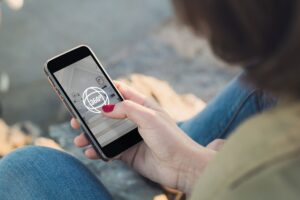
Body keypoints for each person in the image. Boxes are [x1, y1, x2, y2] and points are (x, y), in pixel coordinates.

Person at [1, 0, 300, 200]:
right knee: (259, 84)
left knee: (28, 167)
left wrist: (218, 176)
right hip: (209, 170)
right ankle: (174, 149)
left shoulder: (255, 180)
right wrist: (191, 167)